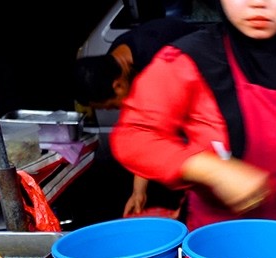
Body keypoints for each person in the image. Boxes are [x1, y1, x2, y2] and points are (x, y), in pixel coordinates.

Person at [110, 0, 276, 232]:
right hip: (216, 244)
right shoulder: (186, 61)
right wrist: (210, 169)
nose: (258, 3)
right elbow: (134, 134)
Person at [74, 16, 197, 217]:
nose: (116, 109)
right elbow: (144, 126)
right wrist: (138, 192)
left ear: (118, 86)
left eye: (110, 106)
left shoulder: (160, 65)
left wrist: (185, 209)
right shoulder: (116, 59)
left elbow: (170, 133)